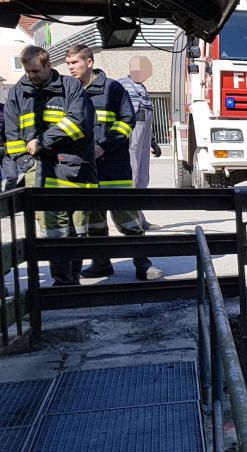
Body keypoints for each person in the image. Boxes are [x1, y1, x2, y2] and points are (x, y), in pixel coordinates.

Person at [65, 45, 162, 281]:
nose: (71, 68)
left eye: (75, 63)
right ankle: (101, 264)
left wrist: (104, 146)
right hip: (85, 170)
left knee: (128, 219)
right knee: (94, 222)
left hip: (114, 167)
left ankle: (143, 265)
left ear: (89, 62)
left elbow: (127, 121)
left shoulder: (113, 88)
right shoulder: (69, 91)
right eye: (68, 64)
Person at [4, 45, 96, 285]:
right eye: (27, 71)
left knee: (78, 231)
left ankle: (72, 279)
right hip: (40, 171)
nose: (31, 75)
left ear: (48, 66)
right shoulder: (17, 93)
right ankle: (63, 282)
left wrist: (42, 141)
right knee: (54, 231)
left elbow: (78, 122)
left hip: (75, 168)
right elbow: (12, 137)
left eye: (35, 70)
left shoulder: (70, 86)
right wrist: (27, 165)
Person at [117, 56, 162, 230]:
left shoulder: (142, 88)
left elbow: (147, 119)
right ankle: (133, 220)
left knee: (142, 178)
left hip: (143, 139)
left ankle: (139, 217)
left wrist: (153, 142)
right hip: (130, 140)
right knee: (132, 177)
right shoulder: (121, 85)